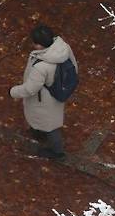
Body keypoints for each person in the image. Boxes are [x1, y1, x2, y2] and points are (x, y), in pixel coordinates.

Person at [10, 24, 78, 159]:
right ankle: (39, 131)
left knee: (50, 126)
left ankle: (57, 152)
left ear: (40, 45)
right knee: (49, 120)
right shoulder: (62, 48)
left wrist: (13, 92)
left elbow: (30, 89)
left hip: (43, 100)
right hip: (56, 94)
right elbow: (74, 66)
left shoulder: (42, 66)